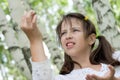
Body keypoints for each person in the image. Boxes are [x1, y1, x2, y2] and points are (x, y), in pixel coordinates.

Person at [20, 10, 120, 80]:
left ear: (91, 39)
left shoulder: (115, 60)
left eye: (75, 30)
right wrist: (35, 40)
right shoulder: (64, 78)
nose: (67, 36)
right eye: (63, 33)